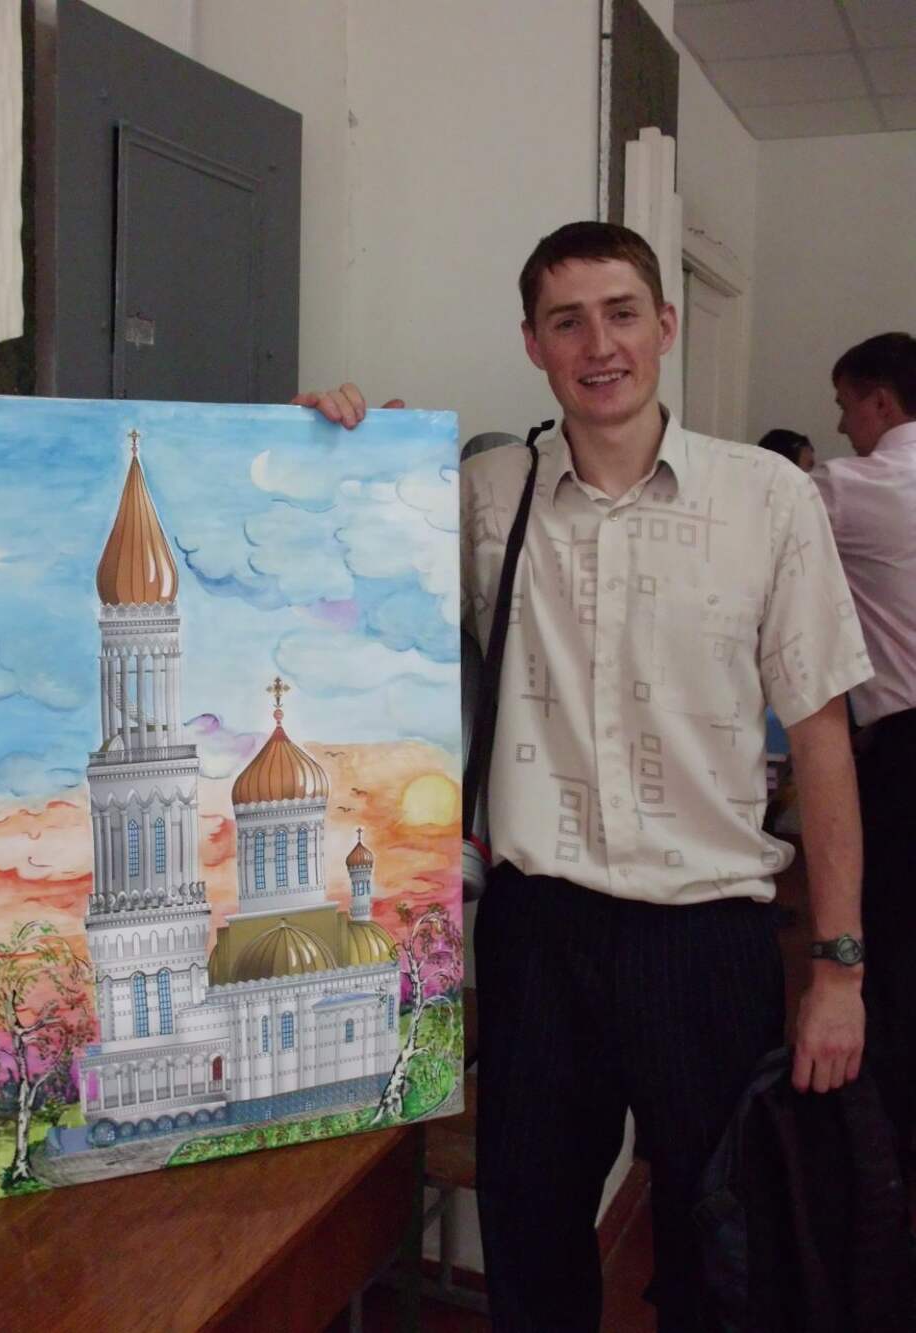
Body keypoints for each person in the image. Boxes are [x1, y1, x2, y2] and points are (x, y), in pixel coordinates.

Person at [294, 222, 871, 1332]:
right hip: (537, 935)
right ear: (532, 343)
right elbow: (331, 574)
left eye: (620, 314)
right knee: (530, 1235)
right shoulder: (482, 492)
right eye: (566, 322)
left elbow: (822, 738)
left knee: (721, 1248)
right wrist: (332, 447)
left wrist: (838, 968)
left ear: (665, 325)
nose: (597, 345)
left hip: (706, 935)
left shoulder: (767, 499)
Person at [812, 331, 916, 1163]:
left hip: (907, 751)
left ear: (881, 401)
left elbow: (745, 509)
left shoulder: (865, 487)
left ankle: (883, 1163)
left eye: (847, 406)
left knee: (897, 947)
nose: (843, 426)